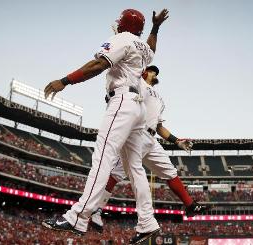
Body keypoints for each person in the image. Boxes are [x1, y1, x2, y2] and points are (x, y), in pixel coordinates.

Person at [42, 8, 169, 244]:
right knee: (135, 168)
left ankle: (78, 216)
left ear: (122, 24)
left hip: (122, 101)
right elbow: (151, 48)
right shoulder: (142, 46)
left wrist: (64, 81)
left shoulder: (121, 39)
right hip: (138, 108)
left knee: (103, 157)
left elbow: (98, 65)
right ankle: (147, 222)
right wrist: (156, 27)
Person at [90, 66, 210, 233]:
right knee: (118, 172)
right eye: (153, 71)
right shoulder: (136, 83)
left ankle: (190, 205)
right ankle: (96, 209)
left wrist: (177, 142)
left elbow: (159, 126)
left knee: (169, 171)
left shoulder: (159, 98)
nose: (155, 73)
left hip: (151, 138)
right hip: (137, 133)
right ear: (144, 72)